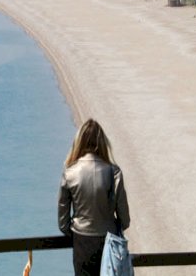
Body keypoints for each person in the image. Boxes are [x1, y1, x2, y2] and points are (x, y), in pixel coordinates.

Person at [58, 118, 130, 276]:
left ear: (79, 142)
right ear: (102, 142)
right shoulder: (114, 172)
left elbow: (63, 223)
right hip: (108, 240)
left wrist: (75, 229)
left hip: (81, 242)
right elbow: (125, 219)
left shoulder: (69, 172)